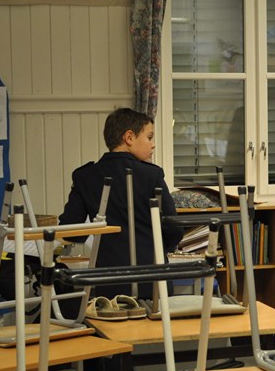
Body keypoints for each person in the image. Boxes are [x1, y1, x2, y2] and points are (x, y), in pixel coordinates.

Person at [59, 108, 184, 300]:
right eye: (149, 137)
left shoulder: (85, 176)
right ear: (129, 137)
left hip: (107, 285)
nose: (153, 144)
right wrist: (158, 248)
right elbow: (174, 228)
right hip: (152, 282)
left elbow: (72, 231)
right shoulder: (152, 175)